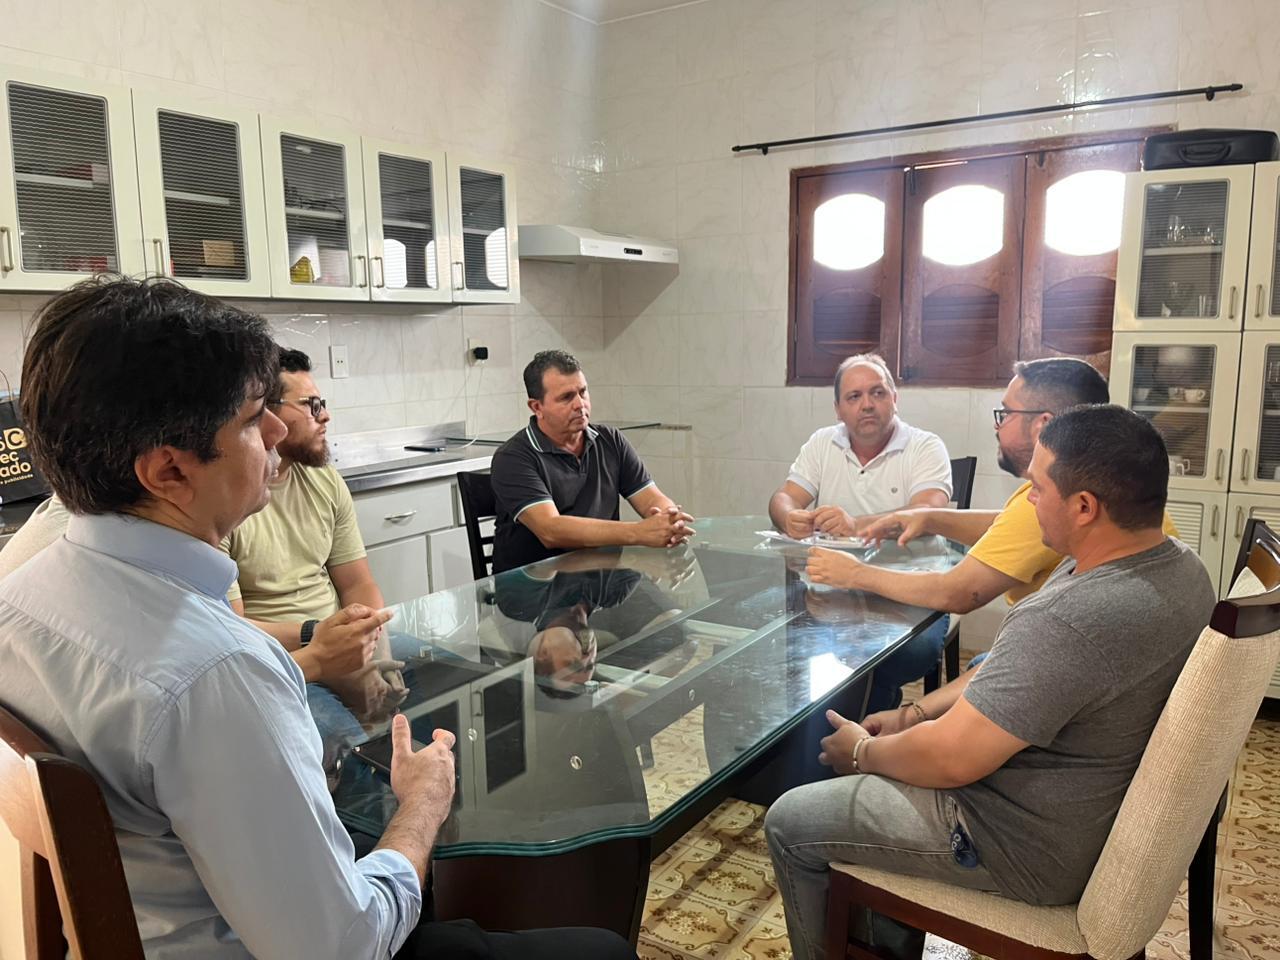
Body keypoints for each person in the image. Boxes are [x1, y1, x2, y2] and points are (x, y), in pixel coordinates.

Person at [0, 276, 634, 960]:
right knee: (600, 951)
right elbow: (344, 945)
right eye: (252, 419)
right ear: (169, 472)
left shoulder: (19, 596)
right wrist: (422, 804)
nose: (278, 431)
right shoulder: (216, 674)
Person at [766, 404, 1216, 960]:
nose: (1026, 503)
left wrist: (862, 753)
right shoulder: (1182, 569)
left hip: (1018, 840)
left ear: (1083, 507)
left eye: (1036, 489)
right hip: (1082, 809)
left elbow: (951, 760)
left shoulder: (1070, 618)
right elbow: (1008, 669)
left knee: (791, 819)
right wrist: (913, 715)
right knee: (895, 764)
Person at [807, 359, 1179, 646]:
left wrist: (854, 574)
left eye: (1006, 413)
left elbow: (958, 592)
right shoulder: (1106, 477)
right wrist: (931, 518)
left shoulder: (1061, 498)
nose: (998, 426)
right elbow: (1009, 524)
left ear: (1042, 424)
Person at [223, 348, 408, 748]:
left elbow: (358, 583)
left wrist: (372, 650)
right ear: (266, 415)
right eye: (311, 405)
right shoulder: (227, 502)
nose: (325, 416)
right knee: (352, 751)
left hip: (342, 642)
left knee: (458, 682)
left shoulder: (324, 480)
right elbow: (234, 629)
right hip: (282, 660)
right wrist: (325, 646)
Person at [769, 353, 952, 713]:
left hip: (911, 587)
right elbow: (783, 497)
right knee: (780, 642)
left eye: (877, 393)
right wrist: (789, 516)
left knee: (902, 655)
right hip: (835, 587)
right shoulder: (823, 442)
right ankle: (819, 731)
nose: (867, 404)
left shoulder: (925, 446)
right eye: (854, 397)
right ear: (838, 409)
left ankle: (863, 731)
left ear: (895, 399)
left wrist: (856, 525)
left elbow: (928, 513)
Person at [490, 349, 694, 573]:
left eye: (583, 392)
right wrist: (639, 532)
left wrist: (669, 519)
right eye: (566, 397)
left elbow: (651, 498)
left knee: (680, 595)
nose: (580, 404)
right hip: (536, 587)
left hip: (606, 578)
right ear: (537, 407)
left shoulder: (610, 439)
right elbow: (551, 530)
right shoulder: (512, 457)